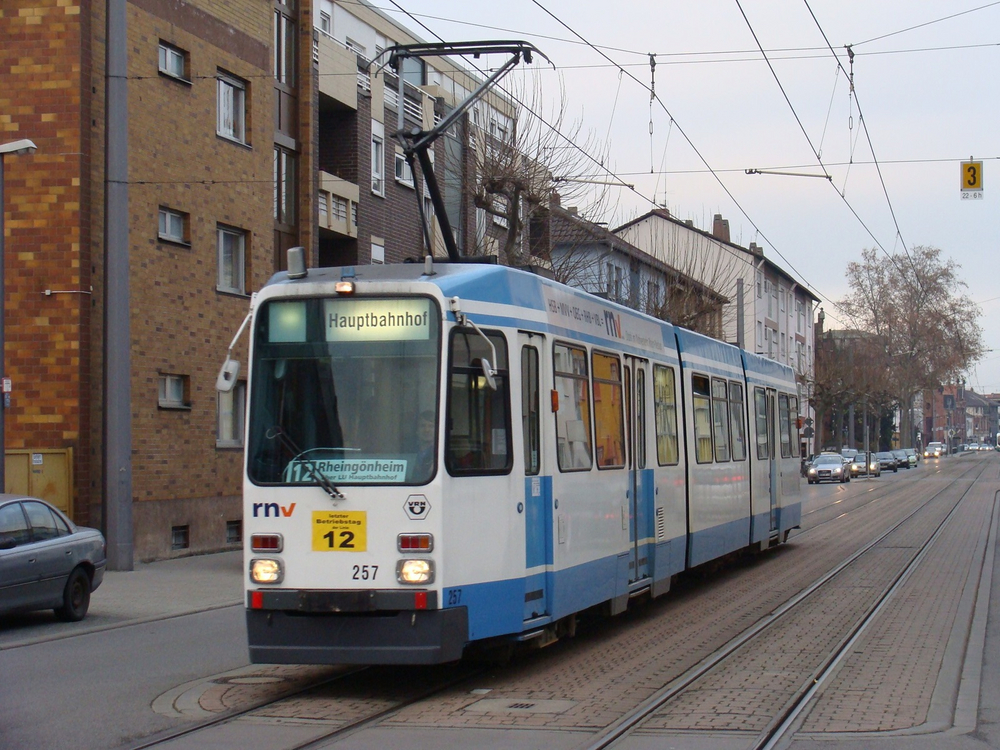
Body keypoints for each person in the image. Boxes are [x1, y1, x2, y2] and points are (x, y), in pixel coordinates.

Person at [412, 410, 436, 481]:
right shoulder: (409, 451)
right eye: (422, 426)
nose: (426, 430)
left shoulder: (441, 454)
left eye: (431, 426)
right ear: (417, 430)